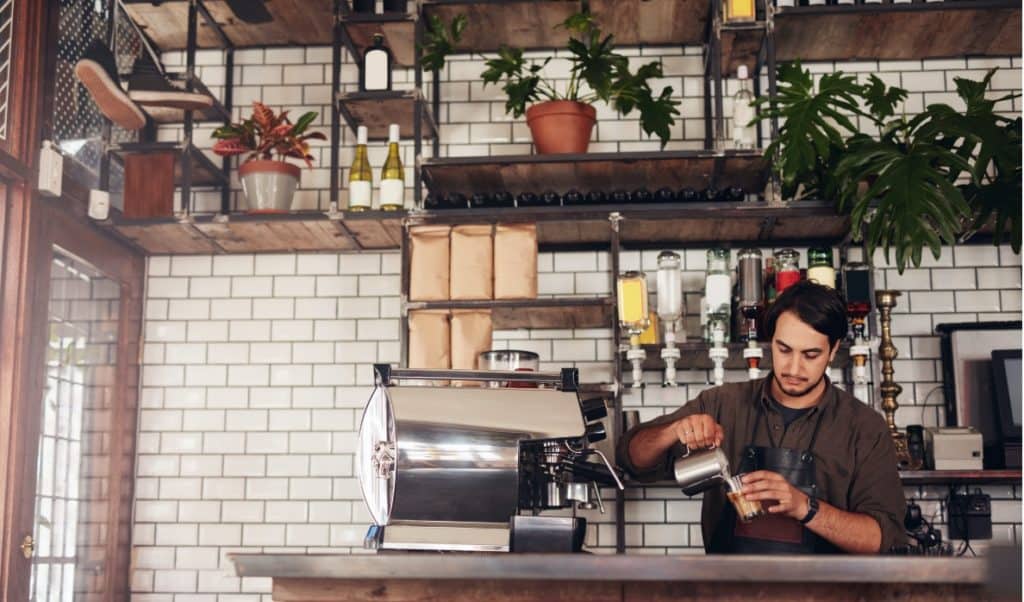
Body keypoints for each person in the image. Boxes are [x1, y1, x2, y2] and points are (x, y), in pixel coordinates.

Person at [616, 280, 905, 554]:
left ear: (833, 351)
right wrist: (673, 431)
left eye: (811, 355)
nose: (793, 367)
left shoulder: (863, 427)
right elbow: (631, 458)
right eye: (784, 349)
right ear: (771, 342)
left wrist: (805, 507)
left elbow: (882, 538)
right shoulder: (722, 404)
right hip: (731, 592)